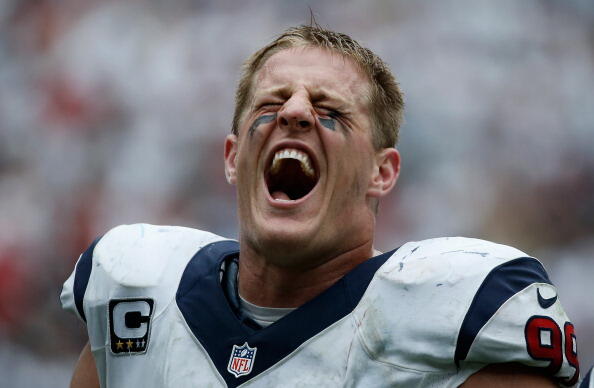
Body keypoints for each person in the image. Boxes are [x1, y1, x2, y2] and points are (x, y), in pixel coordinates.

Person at [61, 24, 581, 387]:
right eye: (270, 103)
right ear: (233, 158)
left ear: (383, 172)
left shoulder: (452, 311)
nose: (294, 111)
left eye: (330, 108)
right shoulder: (138, 292)